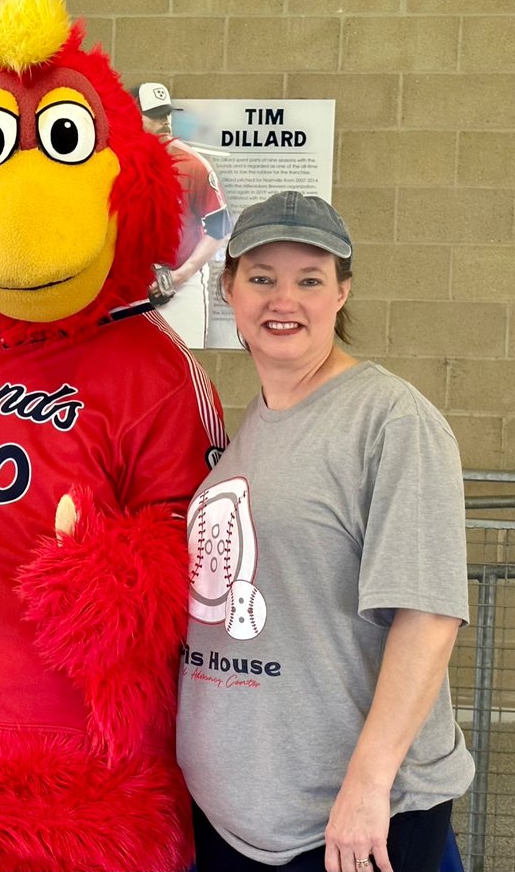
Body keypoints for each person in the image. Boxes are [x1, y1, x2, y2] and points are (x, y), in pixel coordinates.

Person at [176, 191, 474, 872]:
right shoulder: (249, 427)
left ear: (342, 292)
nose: (285, 300)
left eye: (309, 279)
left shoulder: (391, 420)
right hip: (234, 820)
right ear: (230, 291)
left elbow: (428, 619)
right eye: (261, 278)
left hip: (349, 824)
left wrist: (366, 787)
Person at [132, 82, 230, 348]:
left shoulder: (194, 164)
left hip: (181, 285)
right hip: (131, 287)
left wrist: (183, 275)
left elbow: (219, 229)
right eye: (154, 114)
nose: (164, 121)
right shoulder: (116, 165)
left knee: (186, 363)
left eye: (166, 113)